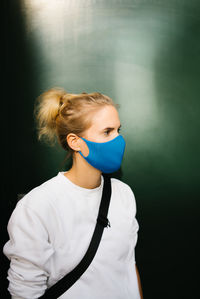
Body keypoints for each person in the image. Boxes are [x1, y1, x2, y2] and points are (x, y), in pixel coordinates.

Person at [3, 88, 144, 299]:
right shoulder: (38, 206)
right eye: (107, 132)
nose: (118, 140)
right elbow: (26, 291)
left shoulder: (123, 194)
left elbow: (128, 266)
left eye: (118, 130)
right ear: (75, 141)